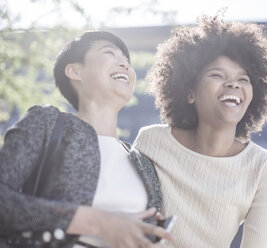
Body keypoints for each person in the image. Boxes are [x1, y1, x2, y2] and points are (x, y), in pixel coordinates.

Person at [0, 31, 174, 248]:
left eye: (127, 61)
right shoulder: (47, 123)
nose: (124, 65)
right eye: (110, 53)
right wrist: (97, 222)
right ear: (74, 71)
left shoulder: (143, 162)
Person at [133, 15, 267, 248]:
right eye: (217, 75)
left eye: (243, 79)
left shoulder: (263, 167)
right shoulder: (151, 140)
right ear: (189, 92)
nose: (233, 84)